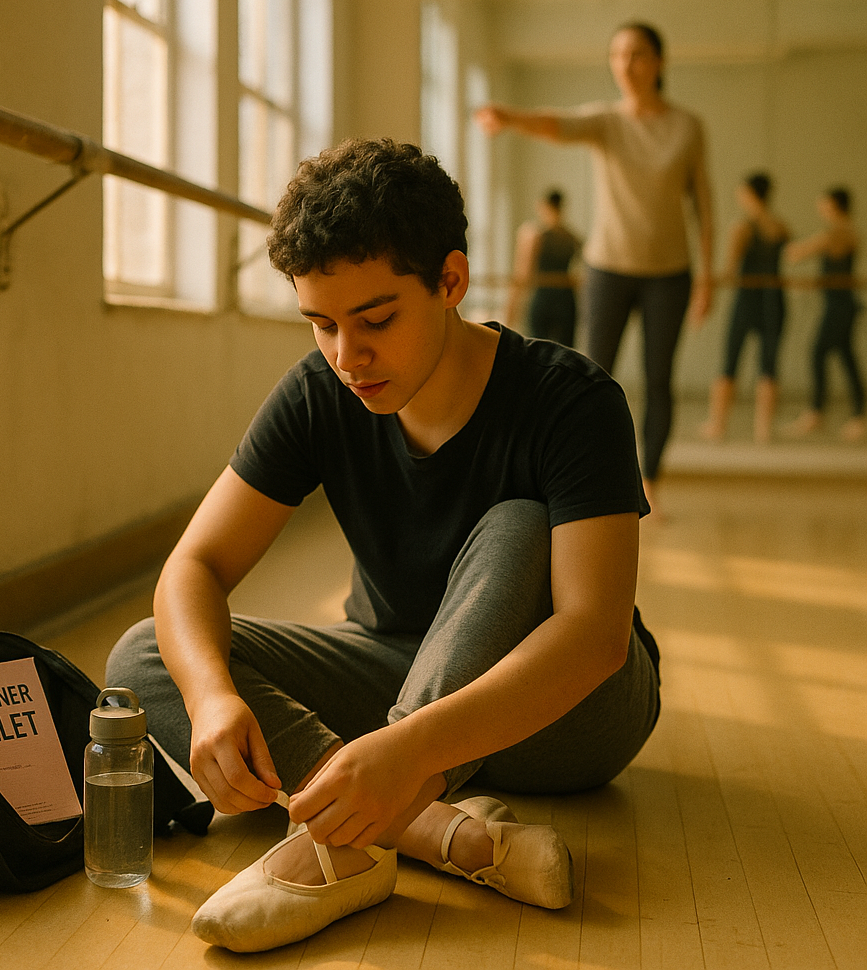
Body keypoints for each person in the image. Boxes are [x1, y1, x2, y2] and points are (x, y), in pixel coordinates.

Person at [105, 138, 661, 953]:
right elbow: (195, 566)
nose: (346, 356)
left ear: (451, 282)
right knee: (149, 651)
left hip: (567, 715)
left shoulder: (571, 399)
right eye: (321, 324)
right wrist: (212, 699)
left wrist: (409, 746)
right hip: (398, 676)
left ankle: (335, 844)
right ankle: (439, 835)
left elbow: (593, 637)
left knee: (518, 523)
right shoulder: (318, 390)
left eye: (375, 320)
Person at [475, 22, 714, 517]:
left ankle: (653, 483)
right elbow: (556, 123)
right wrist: (511, 117)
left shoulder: (687, 126)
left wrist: (707, 276)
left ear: (659, 62)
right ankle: (591, 482)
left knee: (658, 379)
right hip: (608, 269)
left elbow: (705, 207)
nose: (626, 65)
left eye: (638, 54)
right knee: (592, 377)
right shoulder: (607, 121)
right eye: (617, 55)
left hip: (670, 272)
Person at [700, 173, 790, 442]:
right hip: (774, 300)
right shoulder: (780, 227)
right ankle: (763, 429)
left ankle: (718, 424)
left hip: (748, 301)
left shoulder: (742, 228)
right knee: (769, 364)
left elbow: (731, 270)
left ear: (750, 194)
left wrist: (710, 281)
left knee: (730, 360)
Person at [782, 187, 864, 442]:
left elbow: (795, 253)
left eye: (824, 204)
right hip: (838, 304)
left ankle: (820, 411)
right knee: (846, 357)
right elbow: (832, 275)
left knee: (818, 352)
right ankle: (854, 414)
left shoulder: (840, 233)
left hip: (841, 306)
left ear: (834, 206)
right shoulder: (839, 233)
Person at [505, 189, 582, 348]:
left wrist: (510, 313)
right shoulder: (572, 237)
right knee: (565, 354)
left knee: (538, 353)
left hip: (543, 299)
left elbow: (522, 274)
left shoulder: (533, 235)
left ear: (543, 206)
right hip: (566, 301)